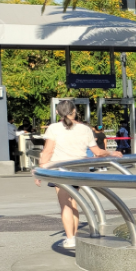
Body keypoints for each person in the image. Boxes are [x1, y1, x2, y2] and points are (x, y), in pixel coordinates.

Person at [40, 100, 119, 248]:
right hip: (80, 170)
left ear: (58, 112)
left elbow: (48, 151)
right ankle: (73, 235)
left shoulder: (54, 128)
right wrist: (112, 153)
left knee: (65, 205)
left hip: (60, 170)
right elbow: (97, 152)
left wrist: (40, 170)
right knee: (74, 202)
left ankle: (70, 238)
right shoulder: (85, 129)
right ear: (74, 111)